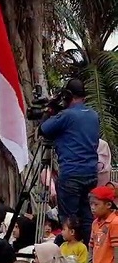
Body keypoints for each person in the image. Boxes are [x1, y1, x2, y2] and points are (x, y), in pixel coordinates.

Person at [40, 78, 100, 244]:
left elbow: (44, 129)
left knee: (69, 219)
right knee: (87, 217)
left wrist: (49, 110)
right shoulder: (94, 116)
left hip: (71, 173)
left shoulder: (67, 115)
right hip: (90, 173)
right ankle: (88, 253)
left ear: (68, 96)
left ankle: (67, 256)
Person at [89, 185, 118, 263]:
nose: (92, 208)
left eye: (96, 204)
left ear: (108, 205)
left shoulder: (115, 222)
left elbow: (117, 251)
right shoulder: (95, 223)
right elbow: (91, 247)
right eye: (91, 204)